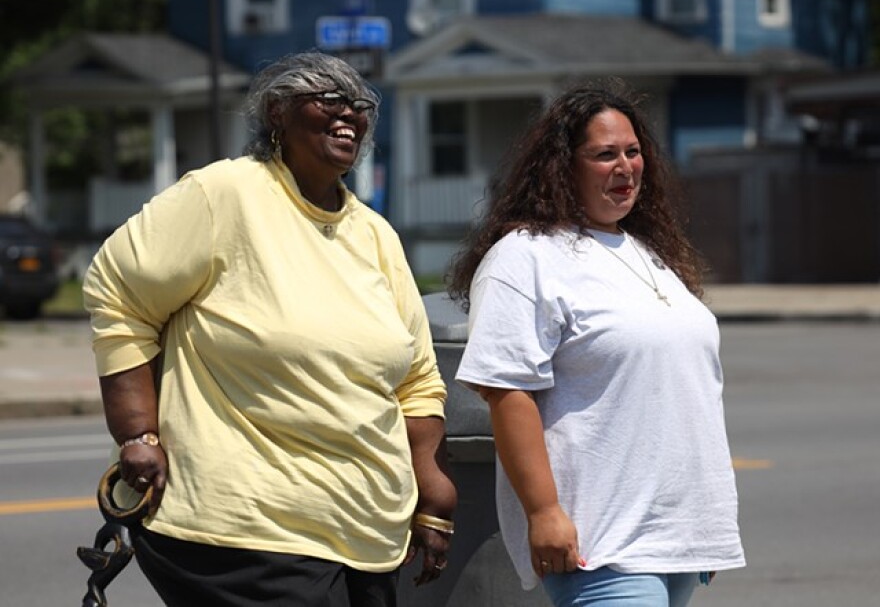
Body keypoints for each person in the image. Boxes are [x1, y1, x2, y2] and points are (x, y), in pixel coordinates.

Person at [82, 51, 457, 607]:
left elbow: (417, 379)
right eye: (328, 99)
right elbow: (119, 291)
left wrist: (432, 492)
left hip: (365, 530)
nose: (348, 114)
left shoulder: (374, 234)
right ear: (277, 113)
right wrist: (137, 431)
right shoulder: (227, 194)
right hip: (245, 528)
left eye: (360, 105)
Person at [449, 78, 745, 607]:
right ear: (563, 167)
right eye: (604, 154)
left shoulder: (647, 253)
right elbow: (506, 390)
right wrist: (543, 512)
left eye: (633, 152)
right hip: (599, 544)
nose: (625, 167)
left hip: (675, 543)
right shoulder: (526, 257)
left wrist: (702, 526)